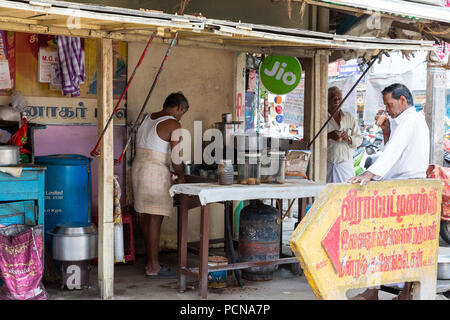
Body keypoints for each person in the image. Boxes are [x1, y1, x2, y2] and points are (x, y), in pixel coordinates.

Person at [348, 83, 430, 300]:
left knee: (401, 243)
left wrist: (368, 174)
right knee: (389, 242)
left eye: (390, 104)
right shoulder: (402, 122)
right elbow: (391, 148)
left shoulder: (411, 120)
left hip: (408, 187)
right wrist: (385, 130)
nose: (387, 108)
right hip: (399, 186)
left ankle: (396, 292)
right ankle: (378, 290)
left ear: (403, 100)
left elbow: (392, 152)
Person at [132, 92, 189, 278]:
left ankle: (150, 262)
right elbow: (176, 159)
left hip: (139, 170)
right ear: (179, 108)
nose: (181, 117)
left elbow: (151, 149)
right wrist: (180, 176)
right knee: (155, 219)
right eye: (183, 112)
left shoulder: (146, 118)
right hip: (154, 174)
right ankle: (154, 266)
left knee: (148, 218)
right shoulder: (173, 123)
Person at [326, 86, 363, 183]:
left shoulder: (349, 117)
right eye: (333, 98)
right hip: (327, 164)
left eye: (339, 98)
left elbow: (359, 139)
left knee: (345, 194)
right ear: (327, 101)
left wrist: (349, 139)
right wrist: (329, 136)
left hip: (345, 164)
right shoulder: (322, 118)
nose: (336, 101)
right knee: (326, 194)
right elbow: (314, 140)